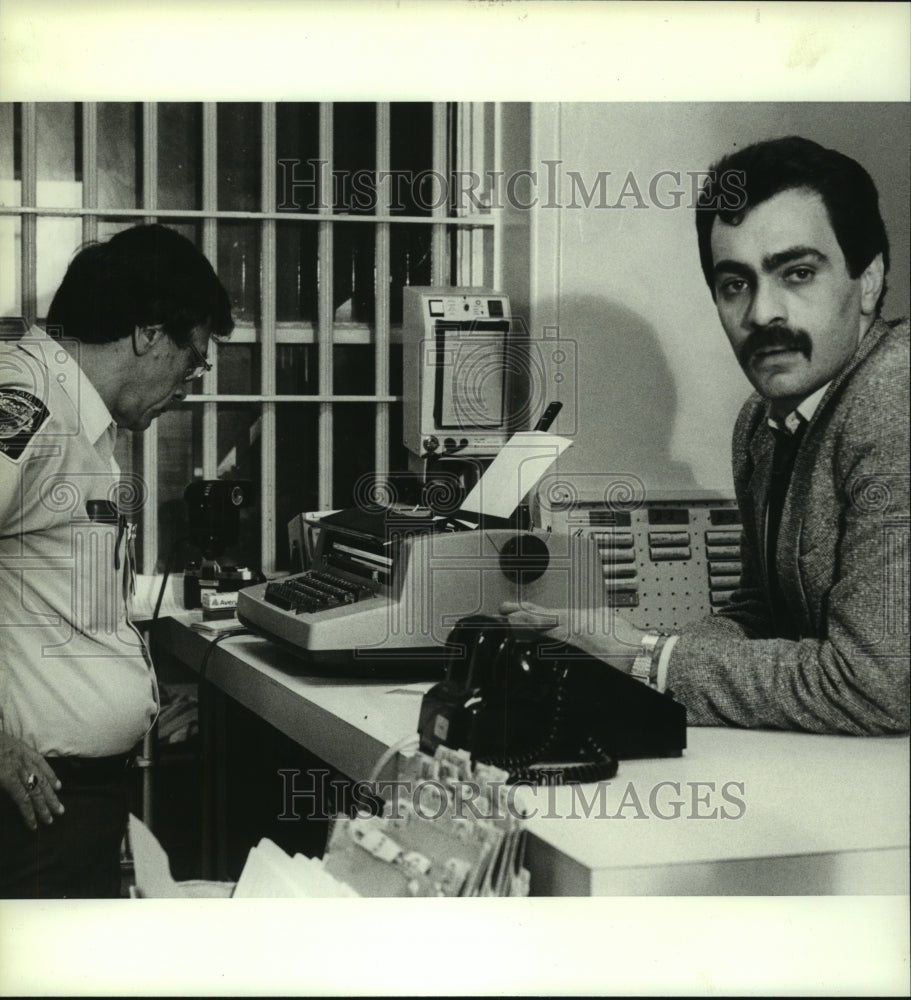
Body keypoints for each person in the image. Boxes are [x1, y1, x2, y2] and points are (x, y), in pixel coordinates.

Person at [504, 136, 909, 735]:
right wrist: (627, 659)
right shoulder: (762, 422)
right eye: (735, 284)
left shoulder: (893, 400)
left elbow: (874, 684)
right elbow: (760, 614)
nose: (762, 313)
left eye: (797, 273)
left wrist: (648, 657)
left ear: (868, 279)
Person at [0, 224, 233, 897]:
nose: (189, 383)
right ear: (149, 333)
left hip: (68, 797)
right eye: (195, 359)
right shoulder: (30, 405)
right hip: (36, 800)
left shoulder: (79, 418)